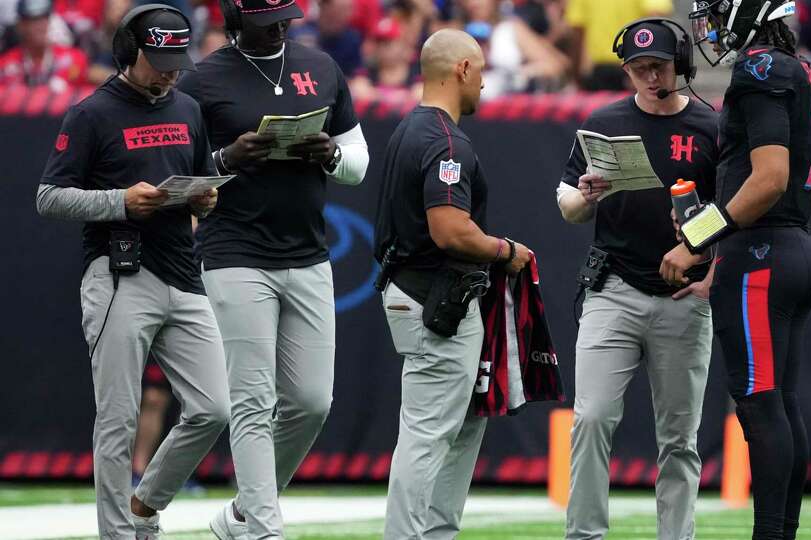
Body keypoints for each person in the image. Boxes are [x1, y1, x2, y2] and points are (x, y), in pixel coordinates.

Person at [34, 4, 228, 538]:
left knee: (214, 407)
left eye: (176, 60)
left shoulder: (188, 108)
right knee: (117, 419)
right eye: (159, 59)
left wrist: (203, 201)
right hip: (121, 275)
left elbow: (198, 181)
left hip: (183, 272)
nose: (169, 71)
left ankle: (144, 504)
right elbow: (49, 197)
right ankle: (119, 535)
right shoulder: (92, 113)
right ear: (129, 52)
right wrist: (119, 201)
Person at [176, 0, 369, 536]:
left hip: (307, 251)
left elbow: (358, 163)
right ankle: (263, 527)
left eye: (285, 16)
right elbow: (178, 176)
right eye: (267, 21)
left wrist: (328, 153)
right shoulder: (202, 80)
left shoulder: (322, 67)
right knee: (253, 398)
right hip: (234, 250)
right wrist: (225, 161)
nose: (281, 28)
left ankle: (242, 512)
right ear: (234, 19)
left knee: (311, 402)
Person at [664, 1, 811, 538]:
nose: (708, 27)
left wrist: (696, 240)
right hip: (796, 249)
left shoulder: (760, 69)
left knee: (760, 407)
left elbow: (770, 178)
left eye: (716, 13)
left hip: (762, 257)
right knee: (781, 402)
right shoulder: (803, 71)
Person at [556, 18, 718, 540]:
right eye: (639, 69)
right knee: (593, 417)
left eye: (659, 67)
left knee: (679, 438)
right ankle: (584, 535)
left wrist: (703, 259)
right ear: (626, 72)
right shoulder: (603, 121)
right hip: (614, 289)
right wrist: (586, 195)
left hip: (684, 296)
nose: (650, 77)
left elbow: (735, 212)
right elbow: (567, 206)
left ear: (681, 66)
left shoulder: (710, 127)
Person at [373, 28, 532, 539]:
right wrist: (507, 251)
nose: (484, 84)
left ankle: (437, 532)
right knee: (428, 433)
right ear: (462, 69)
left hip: (420, 294)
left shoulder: (407, 130)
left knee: (463, 424)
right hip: (434, 302)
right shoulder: (445, 141)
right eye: (481, 71)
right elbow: (450, 230)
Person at [564, 0, 673, 90]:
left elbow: (577, 33)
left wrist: (576, 76)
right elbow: (656, 16)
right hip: (634, 66)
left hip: (605, 69)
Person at [0, 0, 88, 89]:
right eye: (32, 20)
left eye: (44, 18)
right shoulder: (5, 64)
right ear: (20, 25)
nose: (39, 26)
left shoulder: (74, 58)